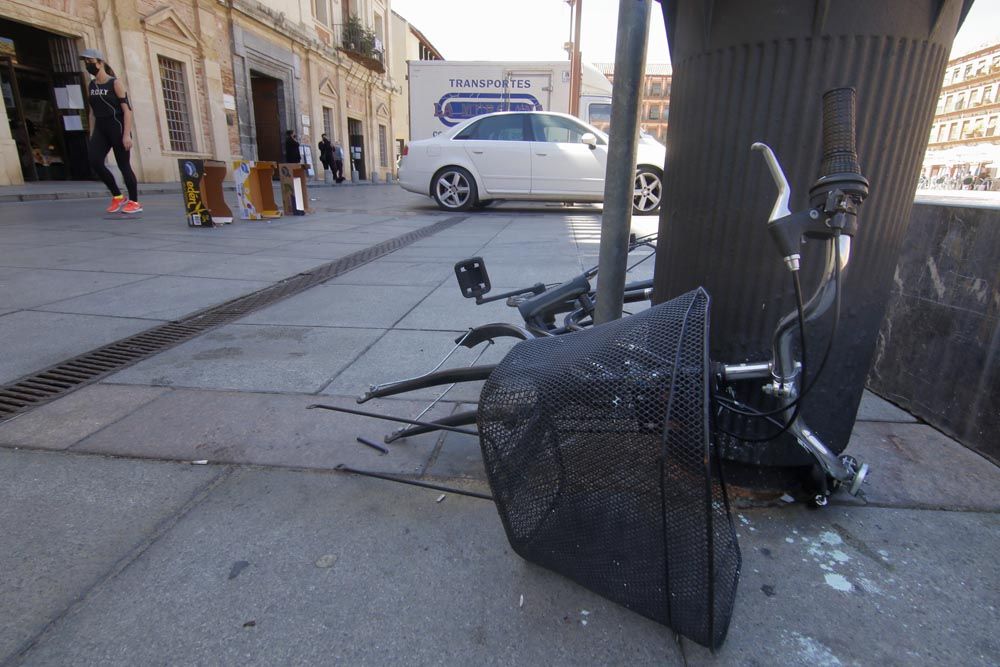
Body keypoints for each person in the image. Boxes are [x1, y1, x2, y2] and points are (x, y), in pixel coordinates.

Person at [82, 48, 141, 214]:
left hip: (117, 127)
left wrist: (126, 135)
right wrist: (92, 134)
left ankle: (134, 201)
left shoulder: (115, 83)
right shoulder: (91, 85)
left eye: (91, 62)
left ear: (100, 63)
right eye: (86, 63)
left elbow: (127, 110)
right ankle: (117, 196)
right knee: (95, 161)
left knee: (124, 165)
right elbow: (92, 112)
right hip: (101, 128)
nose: (88, 65)